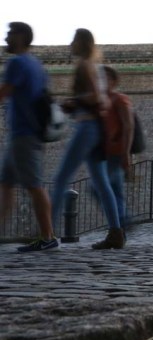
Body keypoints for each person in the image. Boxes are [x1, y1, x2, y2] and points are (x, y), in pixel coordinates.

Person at [51, 28, 124, 250]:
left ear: (81, 43)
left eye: (73, 40)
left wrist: (74, 102)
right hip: (96, 129)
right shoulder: (95, 67)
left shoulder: (84, 66)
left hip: (87, 127)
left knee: (61, 178)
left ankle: (46, 234)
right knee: (101, 182)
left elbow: (94, 97)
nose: (69, 44)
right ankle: (116, 232)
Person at [0, 22, 58, 251]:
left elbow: (4, 93)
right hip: (27, 134)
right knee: (5, 184)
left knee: (34, 185)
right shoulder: (37, 64)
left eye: (10, 34)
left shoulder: (17, 63)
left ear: (21, 37)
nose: (6, 38)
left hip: (24, 135)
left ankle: (48, 237)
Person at [102, 66, 134, 231]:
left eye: (105, 78)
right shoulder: (102, 101)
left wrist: (126, 154)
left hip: (116, 152)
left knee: (99, 187)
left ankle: (121, 221)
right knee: (115, 191)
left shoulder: (119, 99)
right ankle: (122, 222)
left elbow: (128, 126)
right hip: (107, 154)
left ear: (113, 81)